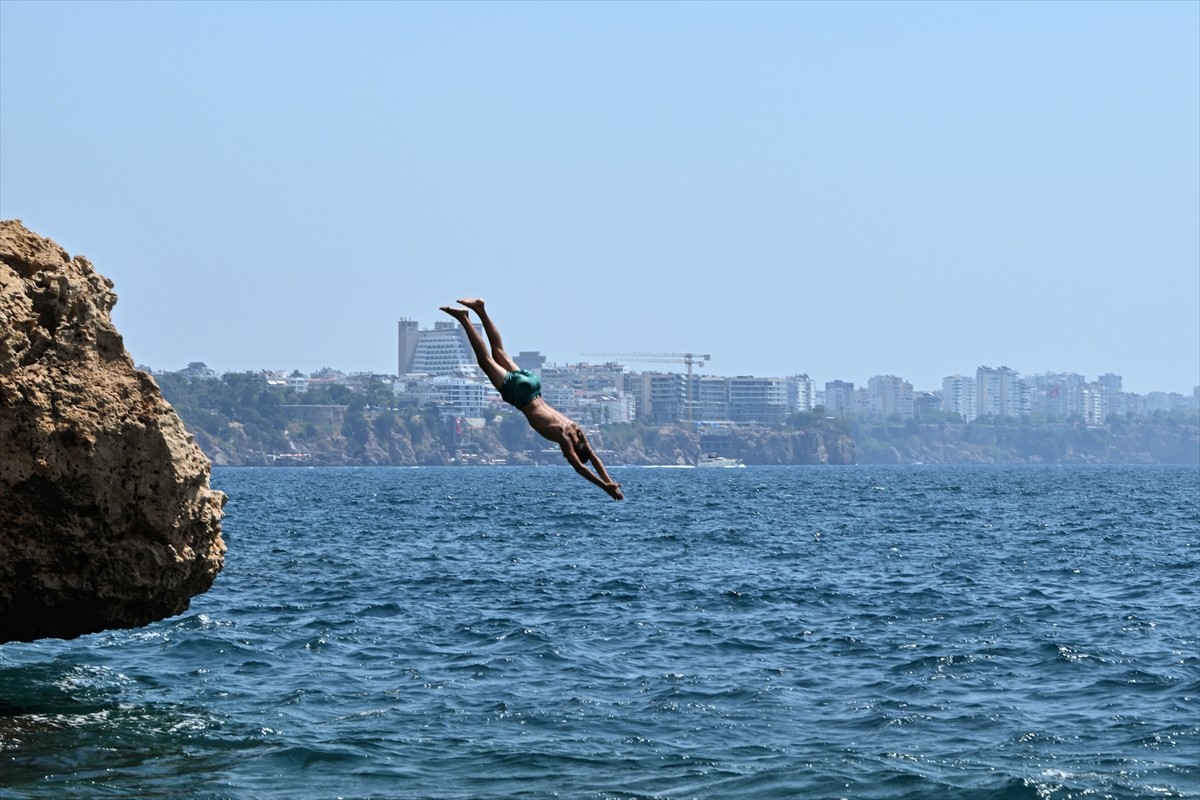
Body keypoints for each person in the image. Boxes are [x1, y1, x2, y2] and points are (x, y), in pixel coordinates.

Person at [441, 299, 624, 500]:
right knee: (485, 361)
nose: (565, 455)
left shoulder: (577, 429)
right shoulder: (563, 436)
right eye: (568, 454)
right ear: (573, 451)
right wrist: (604, 487)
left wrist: (610, 482)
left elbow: (595, 458)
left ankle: (481, 309)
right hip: (521, 395)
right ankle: (465, 319)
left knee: (500, 352)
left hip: (534, 386)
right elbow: (581, 468)